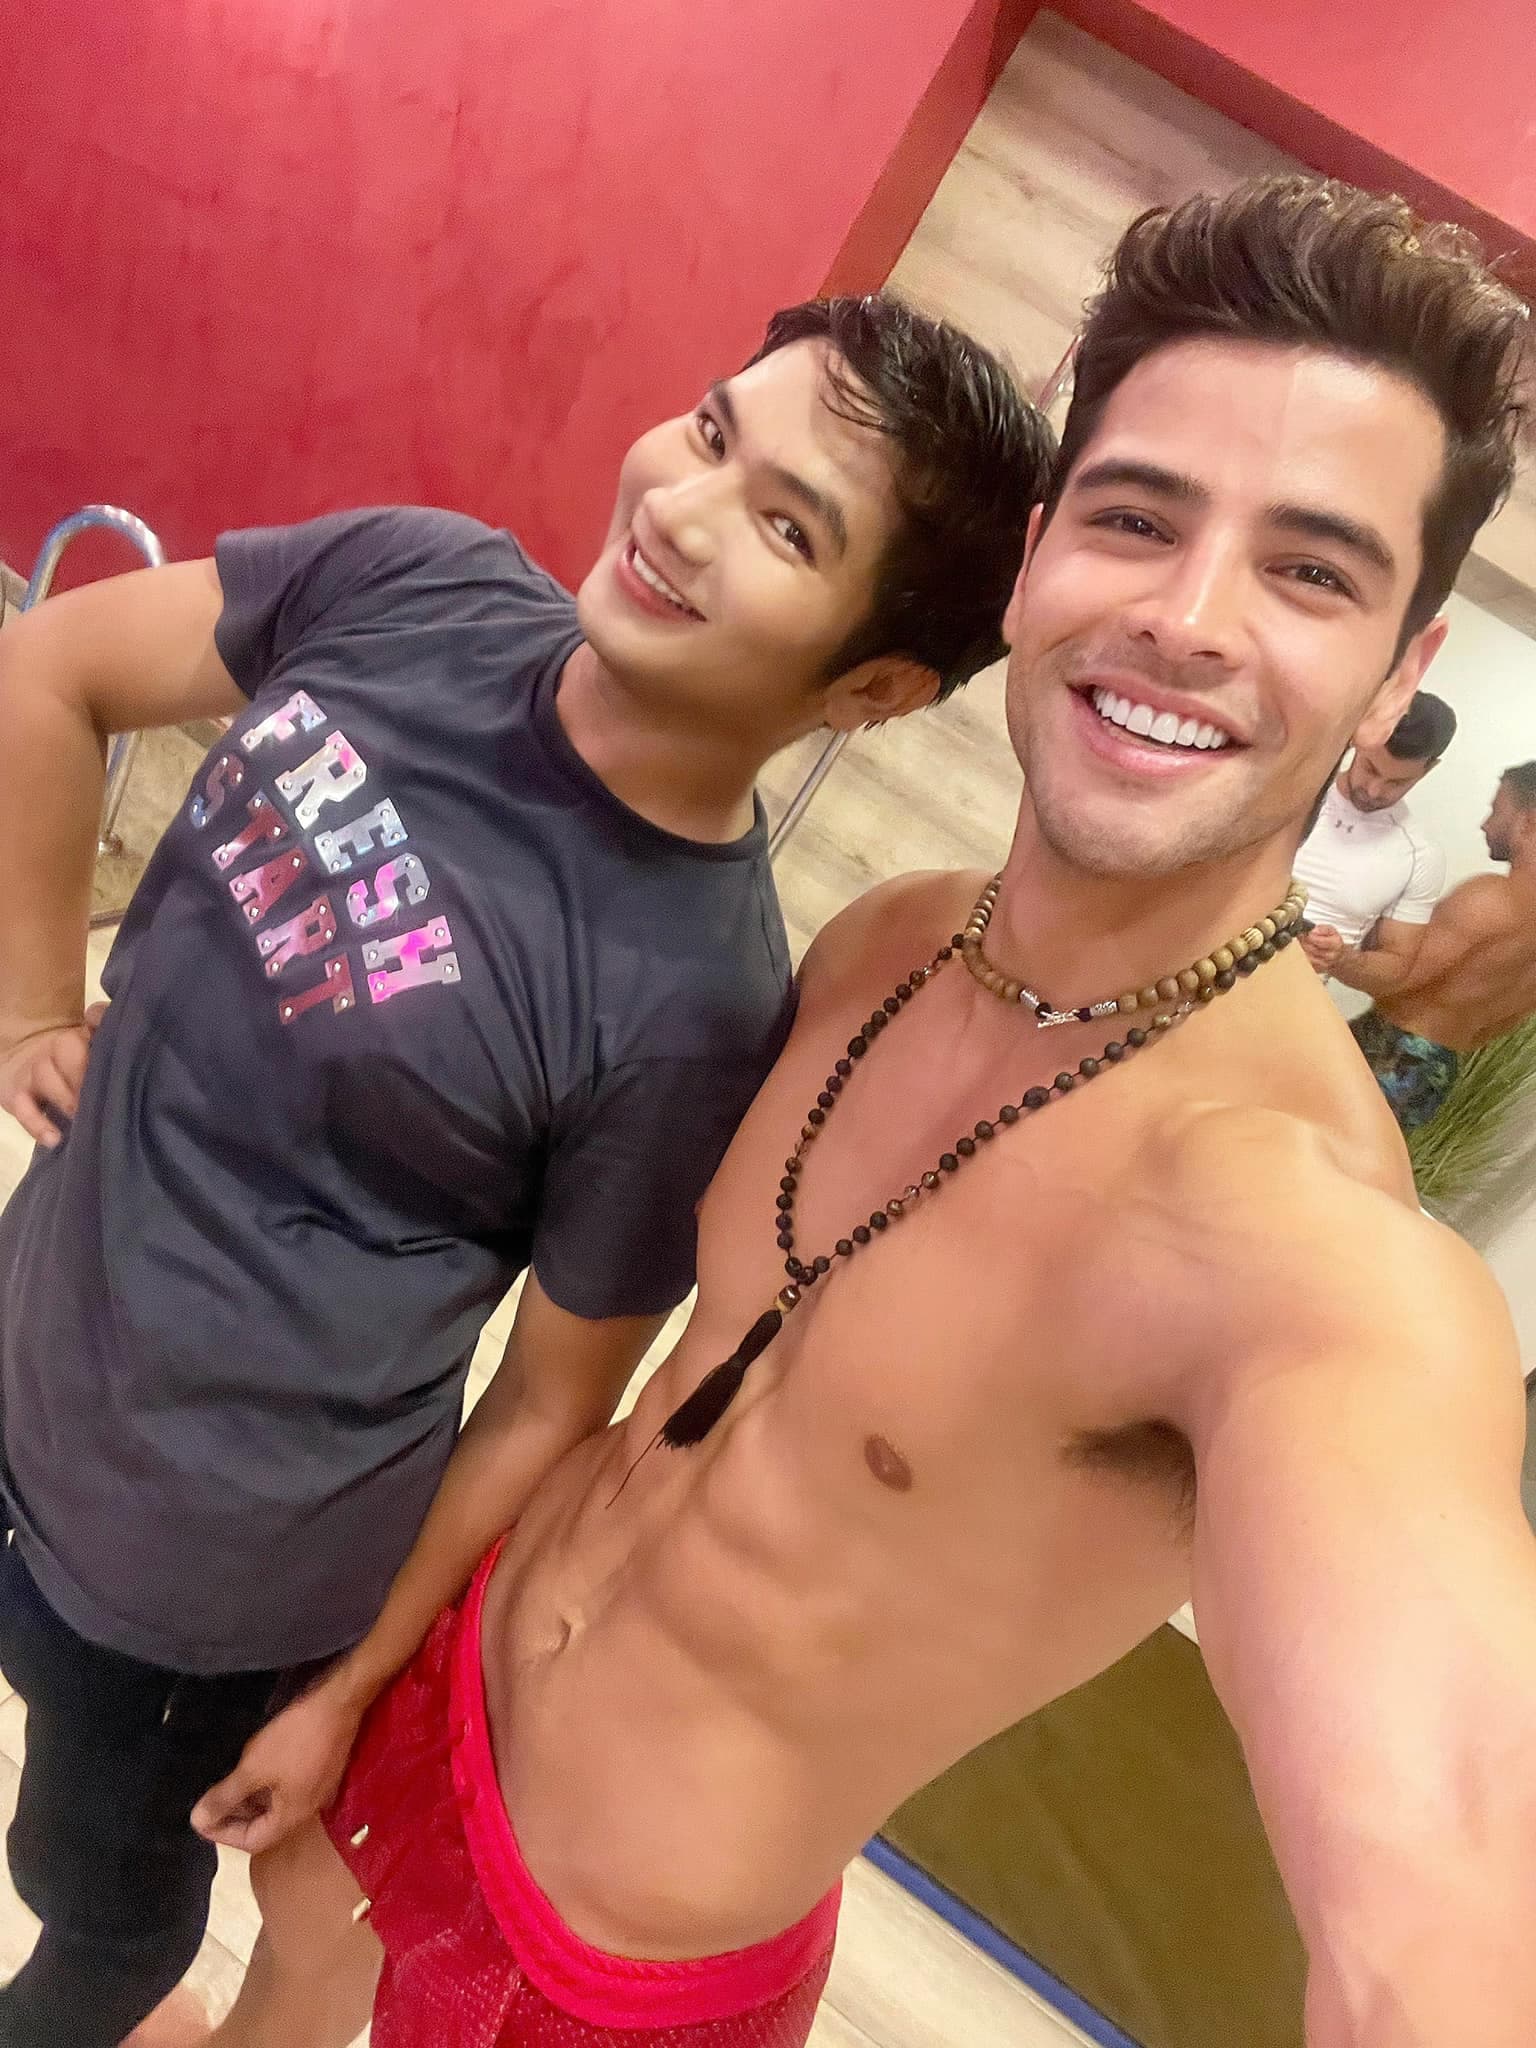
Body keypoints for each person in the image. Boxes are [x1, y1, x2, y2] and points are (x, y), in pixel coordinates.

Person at [205, 176, 1536, 2048]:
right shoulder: (884, 940)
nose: (1184, 617)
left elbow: (1441, 1910)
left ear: (1402, 666)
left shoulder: (1306, 1254)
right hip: (454, 1685)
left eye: (1310, 570)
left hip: (628, 1959)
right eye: (1136, 518)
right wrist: (363, 1662)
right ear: (1035, 559)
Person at [0, 296, 1050, 2048]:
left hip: (196, 1575)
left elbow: (553, 1399)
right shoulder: (417, 579)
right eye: (710, 430)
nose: (683, 510)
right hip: (32, 1328)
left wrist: (346, 1688)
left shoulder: (693, 1010)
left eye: (789, 526)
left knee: (93, 1904)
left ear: (872, 686)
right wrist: (32, 999)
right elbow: (53, 668)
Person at [1351, 760, 1536, 1131]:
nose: (1485, 824)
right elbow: (1494, 1029)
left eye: (1496, 810)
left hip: (1388, 1051)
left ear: (1527, 822)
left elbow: (1392, 978)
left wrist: (1345, 950)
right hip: (1434, 1074)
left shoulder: (1491, 897)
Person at [1295, 688, 1456, 990]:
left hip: (1295, 994)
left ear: (1429, 769)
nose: (1374, 791)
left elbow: (1395, 971)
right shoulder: (1293, 790)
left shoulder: (1420, 857)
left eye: (1397, 782)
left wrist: (1341, 959)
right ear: (1360, 738)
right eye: (1370, 768)